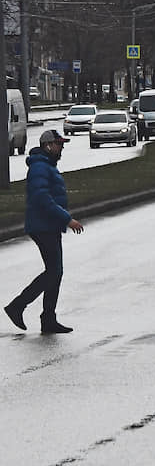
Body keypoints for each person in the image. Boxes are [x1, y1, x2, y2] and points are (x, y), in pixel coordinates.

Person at [4, 129, 84, 334]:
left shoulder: (46, 165)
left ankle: (48, 319)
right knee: (54, 271)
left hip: (49, 225)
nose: (61, 148)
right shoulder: (40, 167)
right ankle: (17, 306)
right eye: (59, 144)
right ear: (48, 145)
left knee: (55, 271)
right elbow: (41, 198)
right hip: (43, 226)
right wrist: (67, 219)